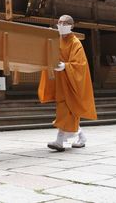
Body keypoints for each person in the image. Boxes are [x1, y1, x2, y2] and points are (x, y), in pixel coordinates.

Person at [38, 15, 97, 151]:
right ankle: (81, 137)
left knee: (67, 110)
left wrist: (66, 66)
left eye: (64, 23)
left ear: (71, 26)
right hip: (61, 81)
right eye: (59, 22)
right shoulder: (56, 39)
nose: (61, 25)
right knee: (66, 110)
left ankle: (59, 141)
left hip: (71, 81)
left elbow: (80, 65)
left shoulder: (75, 43)